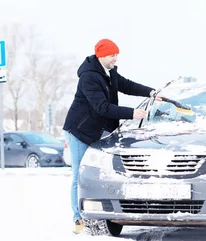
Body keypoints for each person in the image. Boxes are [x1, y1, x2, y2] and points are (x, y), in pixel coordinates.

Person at [62, 38, 163, 234]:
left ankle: (100, 211)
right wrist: (131, 113)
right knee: (80, 174)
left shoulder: (108, 72)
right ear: (101, 56)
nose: (115, 58)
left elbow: (126, 85)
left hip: (99, 130)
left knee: (100, 173)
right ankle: (78, 218)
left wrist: (150, 92)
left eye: (117, 54)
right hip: (79, 131)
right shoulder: (89, 77)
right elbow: (101, 107)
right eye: (112, 55)